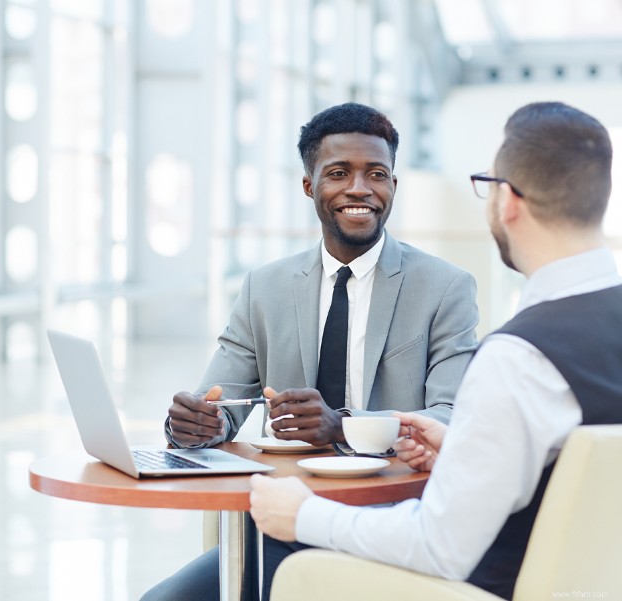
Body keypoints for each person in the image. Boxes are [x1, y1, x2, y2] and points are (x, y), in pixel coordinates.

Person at [250, 101, 622, 601]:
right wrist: (462, 450)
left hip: (483, 587)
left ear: (507, 200)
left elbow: (440, 545)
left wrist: (302, 512)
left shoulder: (521, 356)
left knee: (276, 561)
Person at [142, 102, 479, 600]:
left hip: (394, 524)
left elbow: (451, 419)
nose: (359, 189)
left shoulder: (446, 287)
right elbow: (220, 403)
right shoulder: (265, 288)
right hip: (284, 523)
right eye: (339, 173)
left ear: (393, 186)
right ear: (308, 186)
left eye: (377, 174)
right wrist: (195, 424)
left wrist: (342, 424)